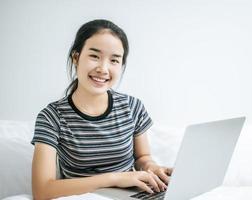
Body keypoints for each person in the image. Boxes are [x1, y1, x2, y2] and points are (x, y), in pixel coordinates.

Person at [31, 19, 172, 200]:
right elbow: (42, 190)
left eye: (114, 60)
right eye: (95, 56)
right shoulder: (51, 117)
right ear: (76, 57)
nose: (103, 69)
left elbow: (143, 156)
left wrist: (152, 167)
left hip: (136, 194)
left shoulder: (132, 107)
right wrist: (114, 179)